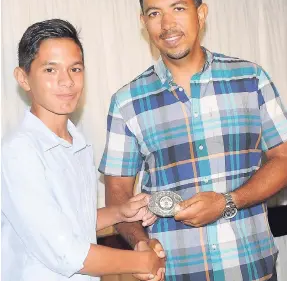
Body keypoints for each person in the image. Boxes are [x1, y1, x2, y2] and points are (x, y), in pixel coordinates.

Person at [99, 0, 287, 281]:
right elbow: (117, 194)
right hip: (174, 273)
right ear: (143, 22)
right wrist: (141, 244)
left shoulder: (250, 78)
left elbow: (284, 158)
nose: (167, 24)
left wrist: (229, 201)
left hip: (251, 270)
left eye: (179, 8)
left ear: (201, 14)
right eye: (155, 13)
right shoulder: (126, 101)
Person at [1, 19, 166, 281]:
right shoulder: (19, 152)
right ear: (24, 78)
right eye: (50, 70)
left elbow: (71, 223)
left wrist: (119, 213)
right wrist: (144, 260)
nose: (66, 81)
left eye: (75, 69)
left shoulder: (78, 144)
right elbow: (65, 253)